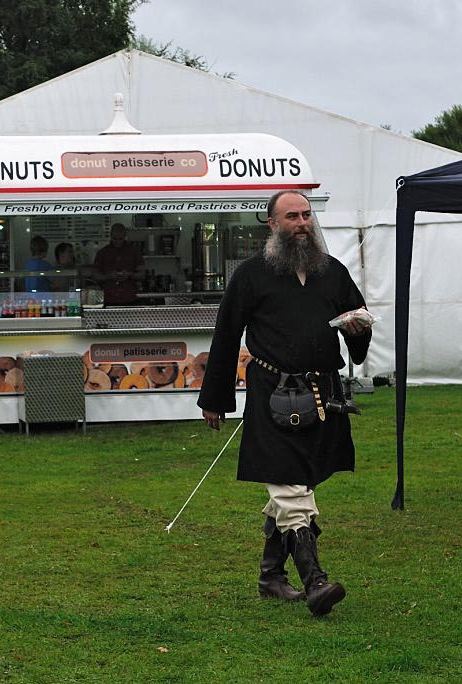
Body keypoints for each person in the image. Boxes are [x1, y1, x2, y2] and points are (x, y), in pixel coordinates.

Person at [197, 190, 372, 617]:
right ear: (272, 224)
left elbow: (359, 338)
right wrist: (215, 398)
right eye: (291, 216)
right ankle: (316, 582)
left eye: (306, 215)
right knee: (291, 486)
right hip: (271, 394)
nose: (302, 223)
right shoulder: (251, 276)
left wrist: (357, 329)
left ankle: (271, 575)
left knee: (301, 480)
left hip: (323, 397)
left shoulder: (333, 272)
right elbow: (226, 336)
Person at [92, 223, 144, 305]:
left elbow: (142, 274)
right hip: (108, 298)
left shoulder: (134, 252)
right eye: (115, 238)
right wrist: (109, 276)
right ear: (110, 236)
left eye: (120, 239)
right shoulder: (102, 253)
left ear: (125, 236)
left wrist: (129, 275)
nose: (117, 241)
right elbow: (95, 276)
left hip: (129, 298)